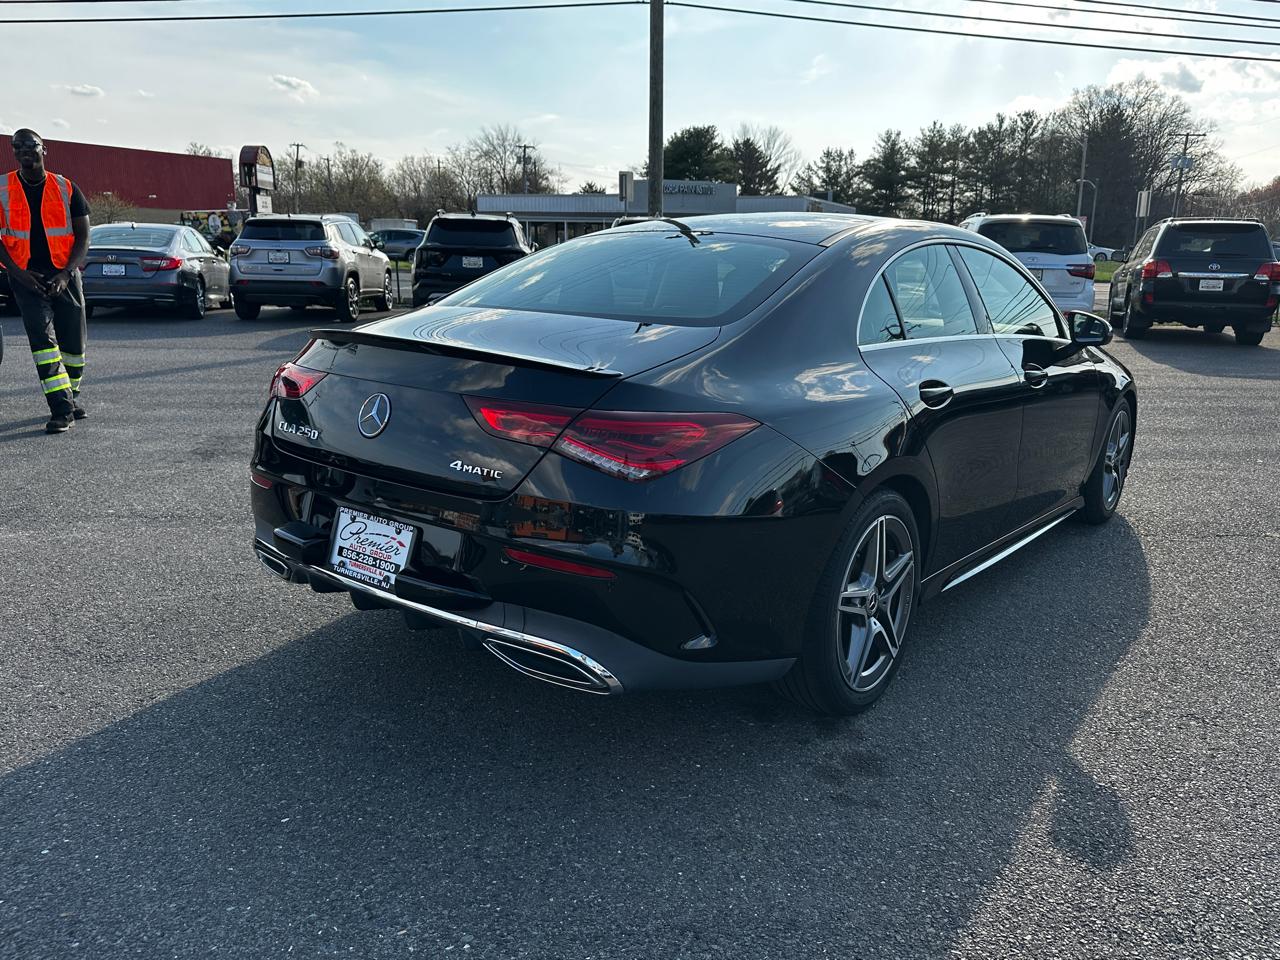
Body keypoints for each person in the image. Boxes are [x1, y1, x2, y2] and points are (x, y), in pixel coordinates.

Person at [0, 128, 91, 433]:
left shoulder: (66, 187)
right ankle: (61, 409)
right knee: (43, 342)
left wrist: (66, 273)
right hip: (26, 277)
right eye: (17, 146)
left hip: (64, 274)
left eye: (30, 145)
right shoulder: (2, 188)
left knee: (74, 346)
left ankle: (71, 395)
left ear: (44, 149)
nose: (23, 150)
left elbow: (83, 237)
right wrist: (18, 273)